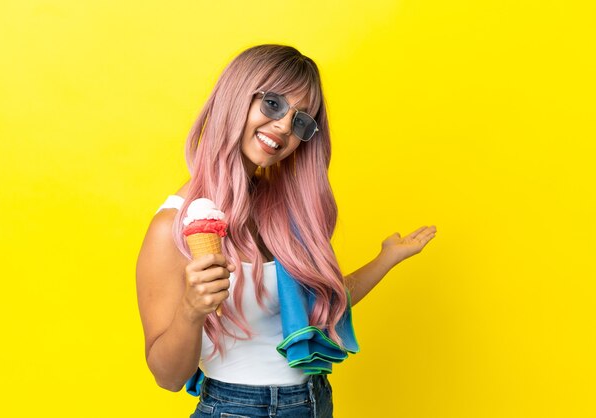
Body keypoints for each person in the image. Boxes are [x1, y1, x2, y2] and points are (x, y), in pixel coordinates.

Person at [136, 44, 437, 418]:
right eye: (273, 104)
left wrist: (386, 259)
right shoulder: (173, 227)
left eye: (300, 121)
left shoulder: (280, 213)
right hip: (235, 408)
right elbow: (167, 376)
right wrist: (191, 310)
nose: (283, 127)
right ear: (236, 98)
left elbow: (322, 302)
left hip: (313, 401)